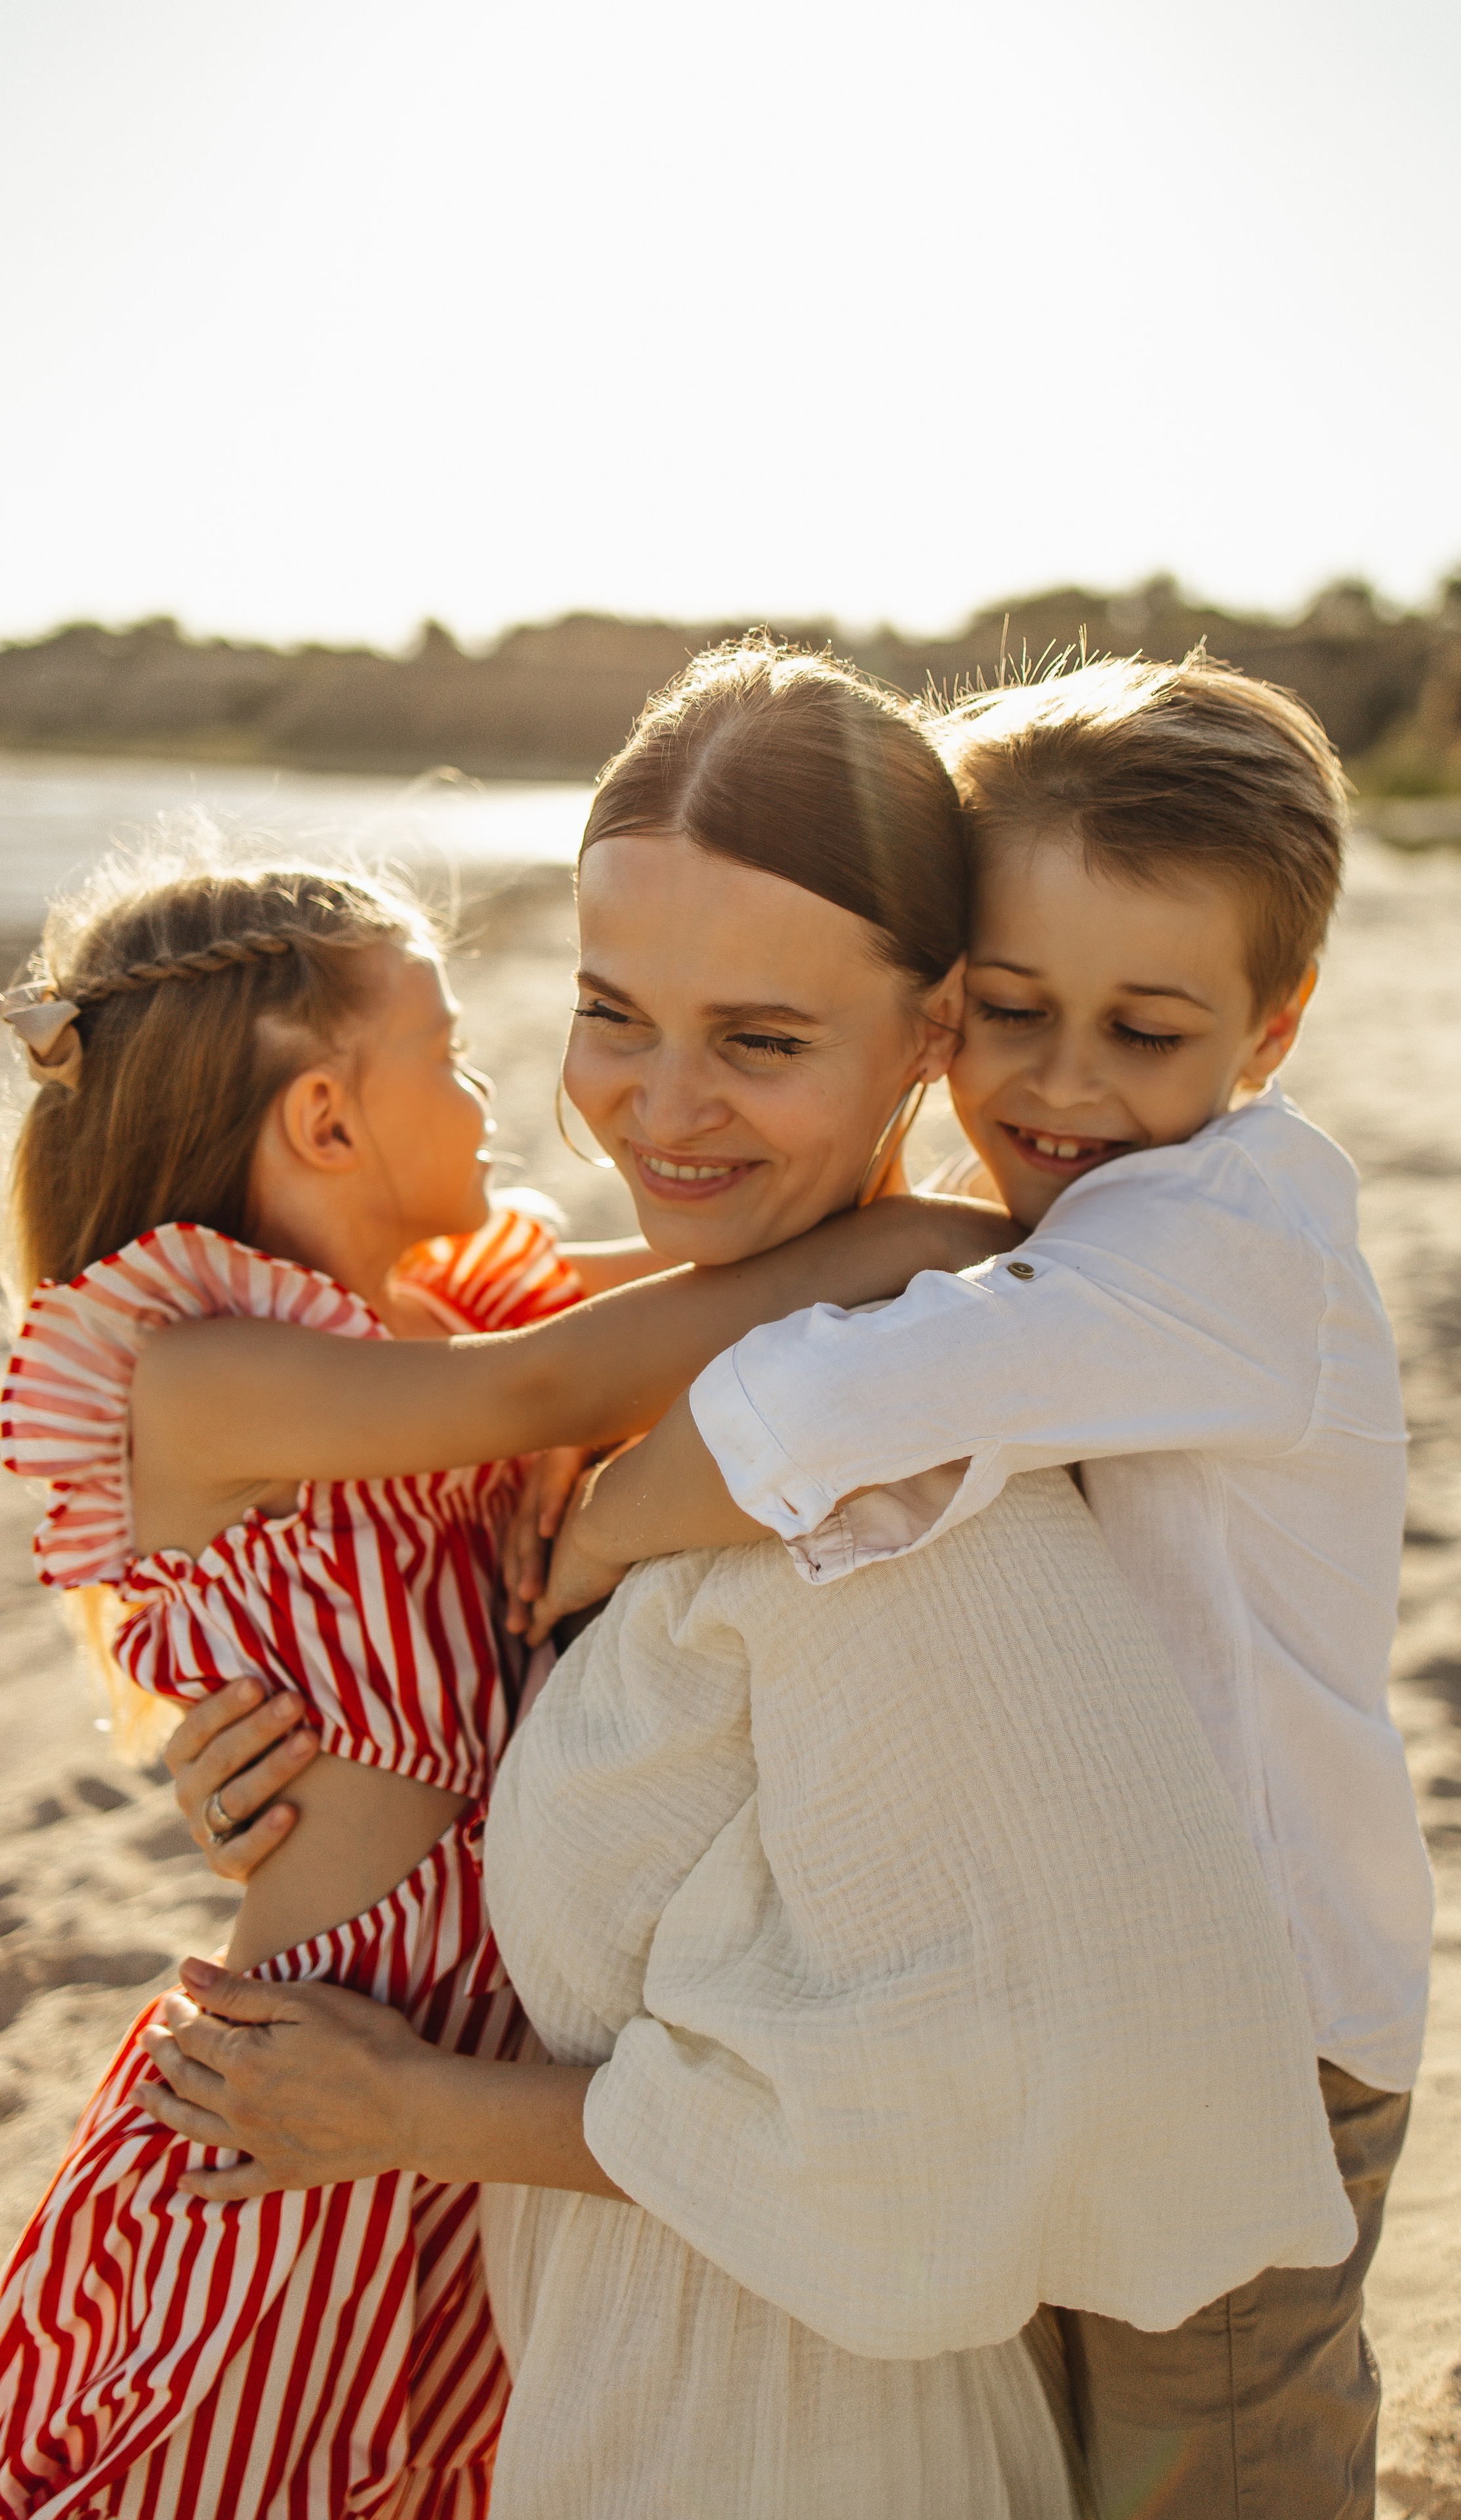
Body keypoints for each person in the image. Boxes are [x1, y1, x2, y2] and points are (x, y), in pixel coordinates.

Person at [138, 645, 1355, 2519]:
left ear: (930, 1033)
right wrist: (328, 1780)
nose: (659, 1107)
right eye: (610, 1012)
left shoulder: (894, 1496)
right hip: (611, 2367)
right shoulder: (691, 1367)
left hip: (785, 2424)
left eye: (763, 1040)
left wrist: (408, 2113)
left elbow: (930, 2113)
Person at [0, 835, 1007, 2519]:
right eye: (450, 1058)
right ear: (327, 1121)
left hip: (466, 2093)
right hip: (301, 2084)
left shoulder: (434, 1312)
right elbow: (549, 1385)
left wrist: (927, 1224)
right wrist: (952, 1233)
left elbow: (714, 1294)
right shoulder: (203, 1368)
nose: (490, 1101)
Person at [537, 652, 1433, 2519]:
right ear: (947, 1003)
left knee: (1215, 2466)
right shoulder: (1059, 1229)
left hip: (1258, 2026)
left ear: (1270, 1033)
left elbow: (821, 1402)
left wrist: (604, 1532)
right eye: (1015, 1011)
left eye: (1146, 1031)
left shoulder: (1221, 1235)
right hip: (1091, 1986)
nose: (1063, 1082)